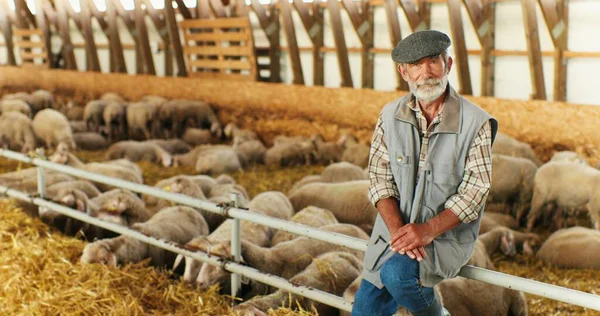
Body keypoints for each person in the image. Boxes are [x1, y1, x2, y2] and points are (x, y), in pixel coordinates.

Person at [352, 30, 498, 316]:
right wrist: (399, 234)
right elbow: (380, 179)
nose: (426, 72)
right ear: (403, 71)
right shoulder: (389, 116)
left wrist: (427, 230)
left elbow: (475, 190)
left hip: (443, 236)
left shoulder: (476, 122)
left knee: (397, 274)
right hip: (393, 234)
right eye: (417, 65)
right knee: (364, 311)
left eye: (433, 61)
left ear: (449, 64)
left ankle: (437, 314)